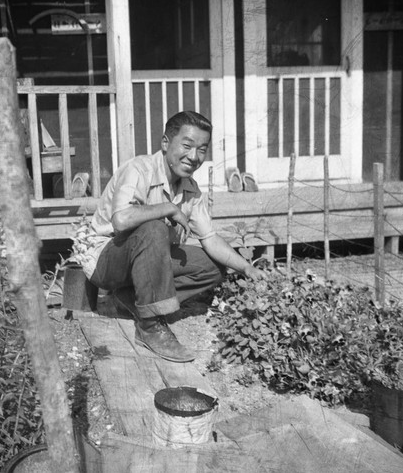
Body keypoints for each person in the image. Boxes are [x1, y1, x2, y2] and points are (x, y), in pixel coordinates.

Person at [79, 111, 266, 363]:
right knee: (154, 227)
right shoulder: (138, 169)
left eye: (202, 149)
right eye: (187, 146)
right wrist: (168, 208)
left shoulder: (190, 188)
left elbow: (209, 238)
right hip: (106, 260)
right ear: (166, 143)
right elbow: (121, 220)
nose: (194, 157)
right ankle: (150, 326)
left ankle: (133, 300)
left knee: (214, 267)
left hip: (145, 261)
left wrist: (246, 267)